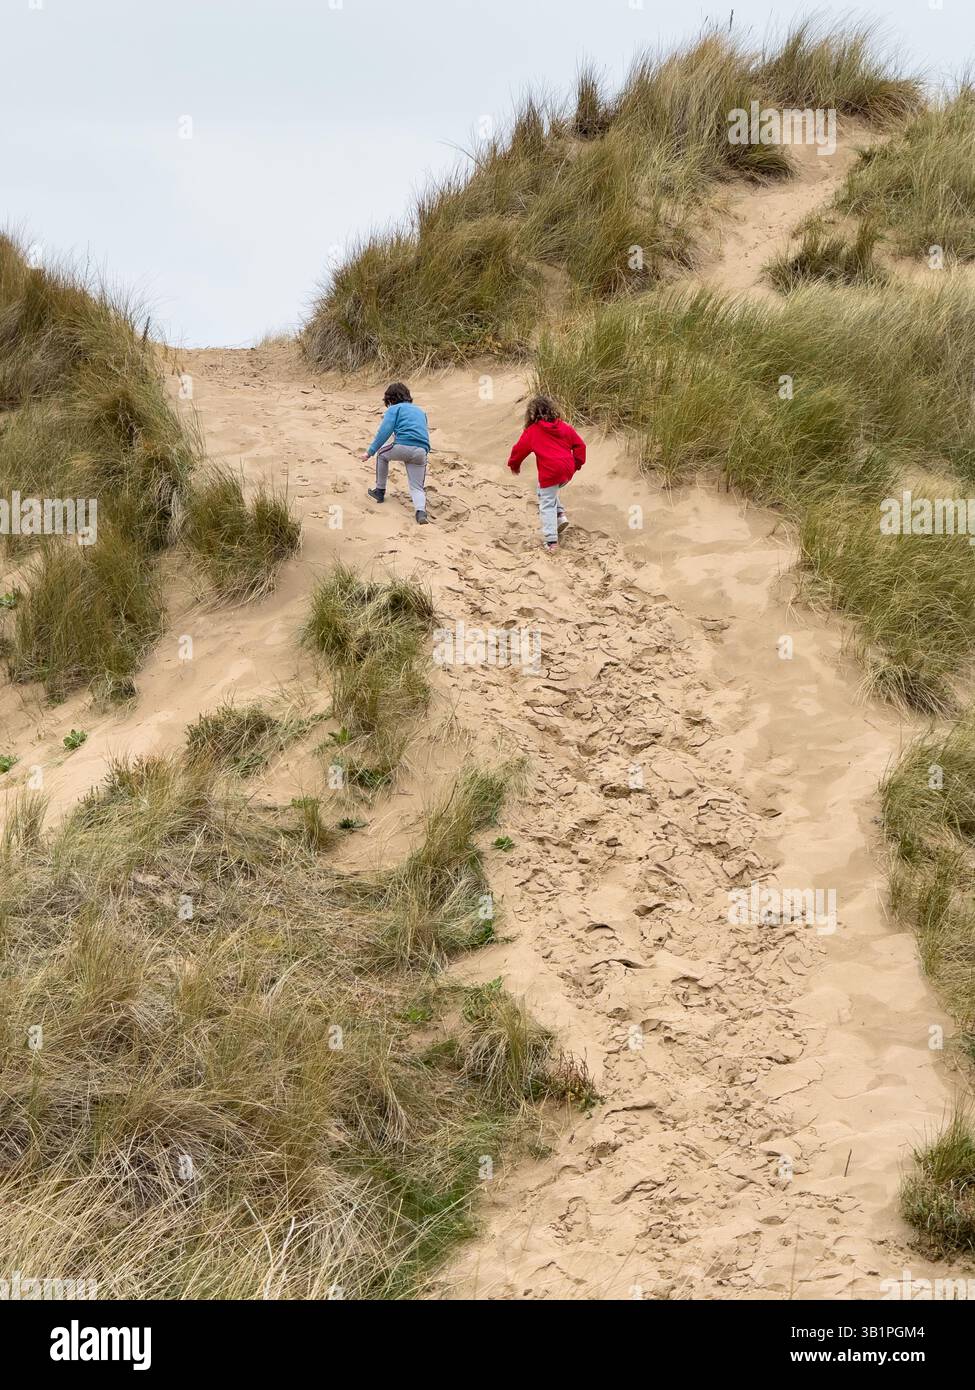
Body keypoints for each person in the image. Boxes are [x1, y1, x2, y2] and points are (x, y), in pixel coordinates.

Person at [506, 395, 586, 550]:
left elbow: (518, 450)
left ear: (531, 414)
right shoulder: (565, 427)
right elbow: (580, 446)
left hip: (550, 471)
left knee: (546, 503)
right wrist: (576, 463)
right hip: (567, 469)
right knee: (546, 491)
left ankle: (551, 541)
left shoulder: (533, 431)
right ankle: (560, 515)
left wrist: (514, 464)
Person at [362, 383, 431, 524]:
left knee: (382, 455)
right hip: (421, 451)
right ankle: (421, 512)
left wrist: (370, 452)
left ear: (391, 399)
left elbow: (384, 432)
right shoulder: (421, 411)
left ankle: (379, 491)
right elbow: (423, 432)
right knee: (417, 487)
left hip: (403, 446)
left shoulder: (395, 409)